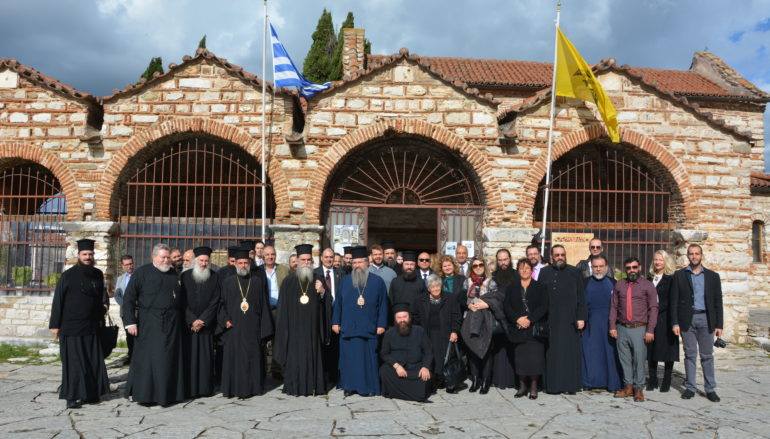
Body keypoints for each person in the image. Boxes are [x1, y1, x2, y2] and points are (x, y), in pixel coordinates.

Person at [123, 243, 186, 406]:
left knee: (168, 359)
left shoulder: (173, 274)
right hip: (149, 324)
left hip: (171, 325)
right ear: (154, 257)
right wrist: (130, 322)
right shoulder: (141, 273)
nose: (166, 260)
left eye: (168, 257)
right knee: (149, 360)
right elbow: (129, 299)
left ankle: (168, 394)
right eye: (163, 257)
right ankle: (147, 395)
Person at [49, 238, 109, 409]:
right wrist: (55, 325)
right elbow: (58, 300)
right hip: (71, 327)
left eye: (90, 254)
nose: (88, 257)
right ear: (78, 255)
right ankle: (73, 396)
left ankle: (91, 394)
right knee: (74, 364)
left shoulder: (97, 274)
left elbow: (100, 298)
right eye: (85, 254)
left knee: (92, 361)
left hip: (91, 326)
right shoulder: (68, 275)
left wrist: (102, 314)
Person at [332, 246, 388, 397]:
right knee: (349, 359)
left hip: (369, 328)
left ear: (367, 263)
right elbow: (338, 304)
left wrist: (381, 324)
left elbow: (383, 305)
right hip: (349, 327)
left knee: (368, 359)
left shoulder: (377, 282)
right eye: (354, 262)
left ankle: (368, 387)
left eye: (360, 262)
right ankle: (349, 386)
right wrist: (335, 322)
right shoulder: (345, 281)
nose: (357, 265)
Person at [274, 244, 330, 396]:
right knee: (295, 357)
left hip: (312, 331)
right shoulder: (288, 282)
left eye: (308, 260)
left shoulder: (318, 279)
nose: (306, 263)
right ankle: (294, 387)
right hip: (294, 331)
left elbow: (327, 304)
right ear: (297, 261)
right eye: (303, 260)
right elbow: (282, 309)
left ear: (312, 261)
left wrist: (323, 292)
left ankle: (314, 386)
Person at [219, 247, 274, 398]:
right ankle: (233, 389)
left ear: (249, 263)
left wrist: (264, 330)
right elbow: (221, 304)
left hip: (252, 328)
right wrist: (225, 320)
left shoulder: (256, 282)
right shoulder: (228, 282)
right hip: (234, 328)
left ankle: (253, 388)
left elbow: (264, 306)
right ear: (235, 263)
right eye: (240, 263)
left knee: (253, 358)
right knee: (235, 360)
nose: (243, 265)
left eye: (246, 263)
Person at [671, 244, 723, 402]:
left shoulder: (713, 276)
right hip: (687, 320)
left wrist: (719, 325)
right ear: (687, 256)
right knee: (690, 354)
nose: (694, 256)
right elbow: (674, 301)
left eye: (697, 253)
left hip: (706, 319)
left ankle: (710, 389)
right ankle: (690, 387)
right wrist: (675, 323)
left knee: (707, 355)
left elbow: (718, 302)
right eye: (691, 254)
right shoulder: (679, 275)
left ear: (701, 255)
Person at [610, 257, 658, 402]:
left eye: (634, 267)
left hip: (639, 328)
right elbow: (613, 307)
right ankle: (628, 387)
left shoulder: (648, 285)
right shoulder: (619, 285)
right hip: (622, 328)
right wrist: (612, 326)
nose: (632, 270)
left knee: (639, 360)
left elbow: (653, 308)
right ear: (625, 269)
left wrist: (650, 330)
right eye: (629, 268)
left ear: (640, 268)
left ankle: (638, 389)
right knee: (624, 359)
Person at [539, 245, 586, 394]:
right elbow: (540, 297)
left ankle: (570, 386)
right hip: (551, 320)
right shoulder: (544, 272)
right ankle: (553, 386)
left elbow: (581, 297)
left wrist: (581, 317)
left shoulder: (575, 272)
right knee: (553, 354)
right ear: (551, 257)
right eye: (557, 255)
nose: (560, 257)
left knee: (569, 353)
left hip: (570, 320)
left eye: (562, 255)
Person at [503, 258, 548, 400]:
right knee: (520, 359)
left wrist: (530, 319)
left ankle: (534, 386)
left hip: (534, 329)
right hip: (518, 328)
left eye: (527, 268)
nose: (524, 270)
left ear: (532, 270)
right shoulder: (511, 287)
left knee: (535, 358)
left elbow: (544, 306)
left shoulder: (540, 286)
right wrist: (517, 319)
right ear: (518, 270)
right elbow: (507, 306)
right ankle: (522, 386)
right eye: (521, 268)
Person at [461, 257, 506, 394]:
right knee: (472, 350)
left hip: (486, 320)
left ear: (484, 266)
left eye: (480, 265)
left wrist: (486, 304)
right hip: (470, 320)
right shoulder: (467, 282)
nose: (478, 267)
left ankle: (486, 381)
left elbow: (498, 298)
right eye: (475, 266)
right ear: (471, 268)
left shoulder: (490, 282)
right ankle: (475, 380)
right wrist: (468, 304)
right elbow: (461, 297)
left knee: (486, 351)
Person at [412, 274, 461, 392]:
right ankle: (431, 379)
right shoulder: (420, 300)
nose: (435, 289)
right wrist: (418, 332)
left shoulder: (450, 298)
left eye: (437, 286)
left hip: (445, 332)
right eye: (432, 287)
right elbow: (415, 317)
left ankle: (444, 379)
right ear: (428, 288)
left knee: (443, 356)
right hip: (427, 333)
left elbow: (457, 316)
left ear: (441, 286)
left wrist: (454, 331)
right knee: (430, 354)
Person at [581, 255, 622, 392]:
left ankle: (612, 382)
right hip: (590, 325)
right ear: (591, 267)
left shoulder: (614, 283)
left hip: (609, 325)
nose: (598, 269)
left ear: (606, 267)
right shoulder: (584, 283)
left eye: (601, 266)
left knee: (609, 354)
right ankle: (590, 382)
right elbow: (580, 304)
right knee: (591, 353)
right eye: (595, 266)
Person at [379, 305, 433, 402]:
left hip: (416, 368)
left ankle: (397, 393)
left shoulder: (419, 331)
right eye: (399, 317)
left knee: (424, 377)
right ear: (395, 319)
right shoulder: (389, 333)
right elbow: (384, 353)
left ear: (409, 317)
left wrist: (425, 367)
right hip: (397, 369)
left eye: (405, 316)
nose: (402, 320)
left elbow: (428, 352)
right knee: (384, 370)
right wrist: (396, 366)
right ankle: (413, 394)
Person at [646, 250, 679, 392]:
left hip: (666, 318)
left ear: (666, 261)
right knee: (651, 349)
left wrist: (674, 321)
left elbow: (673, 300)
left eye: (660, 259)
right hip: (650, 318)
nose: (657, 262)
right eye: (655, 259)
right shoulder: (649, 278)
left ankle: (666, 380)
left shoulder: (671, 278)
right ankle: (652, 379)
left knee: (668, 350)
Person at [314, 247, 342, 384]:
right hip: (321, 314)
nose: (329, 259)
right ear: (321, 258)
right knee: (322, 344)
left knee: (336, 346)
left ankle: (334, 375)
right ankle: (322, 375)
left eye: (331, 257)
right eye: (326, 257)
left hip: (337, 314)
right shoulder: (314, 274)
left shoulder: (341, 273)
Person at [263, 245, 289, 380]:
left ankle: (277, 369)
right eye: (267, 254)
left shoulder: (283, 270)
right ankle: (262, 369)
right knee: (263, 339)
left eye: (272, 254)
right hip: (264, 310)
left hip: (279, 309)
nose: (270, 257)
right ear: (263, 256)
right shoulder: (258, 271)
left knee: (278, 340)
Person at [114, 254, 135, 365]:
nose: (129, 266)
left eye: (131, 264)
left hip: (138, 311)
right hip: (125, 312)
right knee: (129, 335)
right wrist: (126, 305)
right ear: (122, 266)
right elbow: (117, 295)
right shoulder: (120, 279)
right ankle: (131, 356)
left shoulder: (139, 275)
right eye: (126, 265)